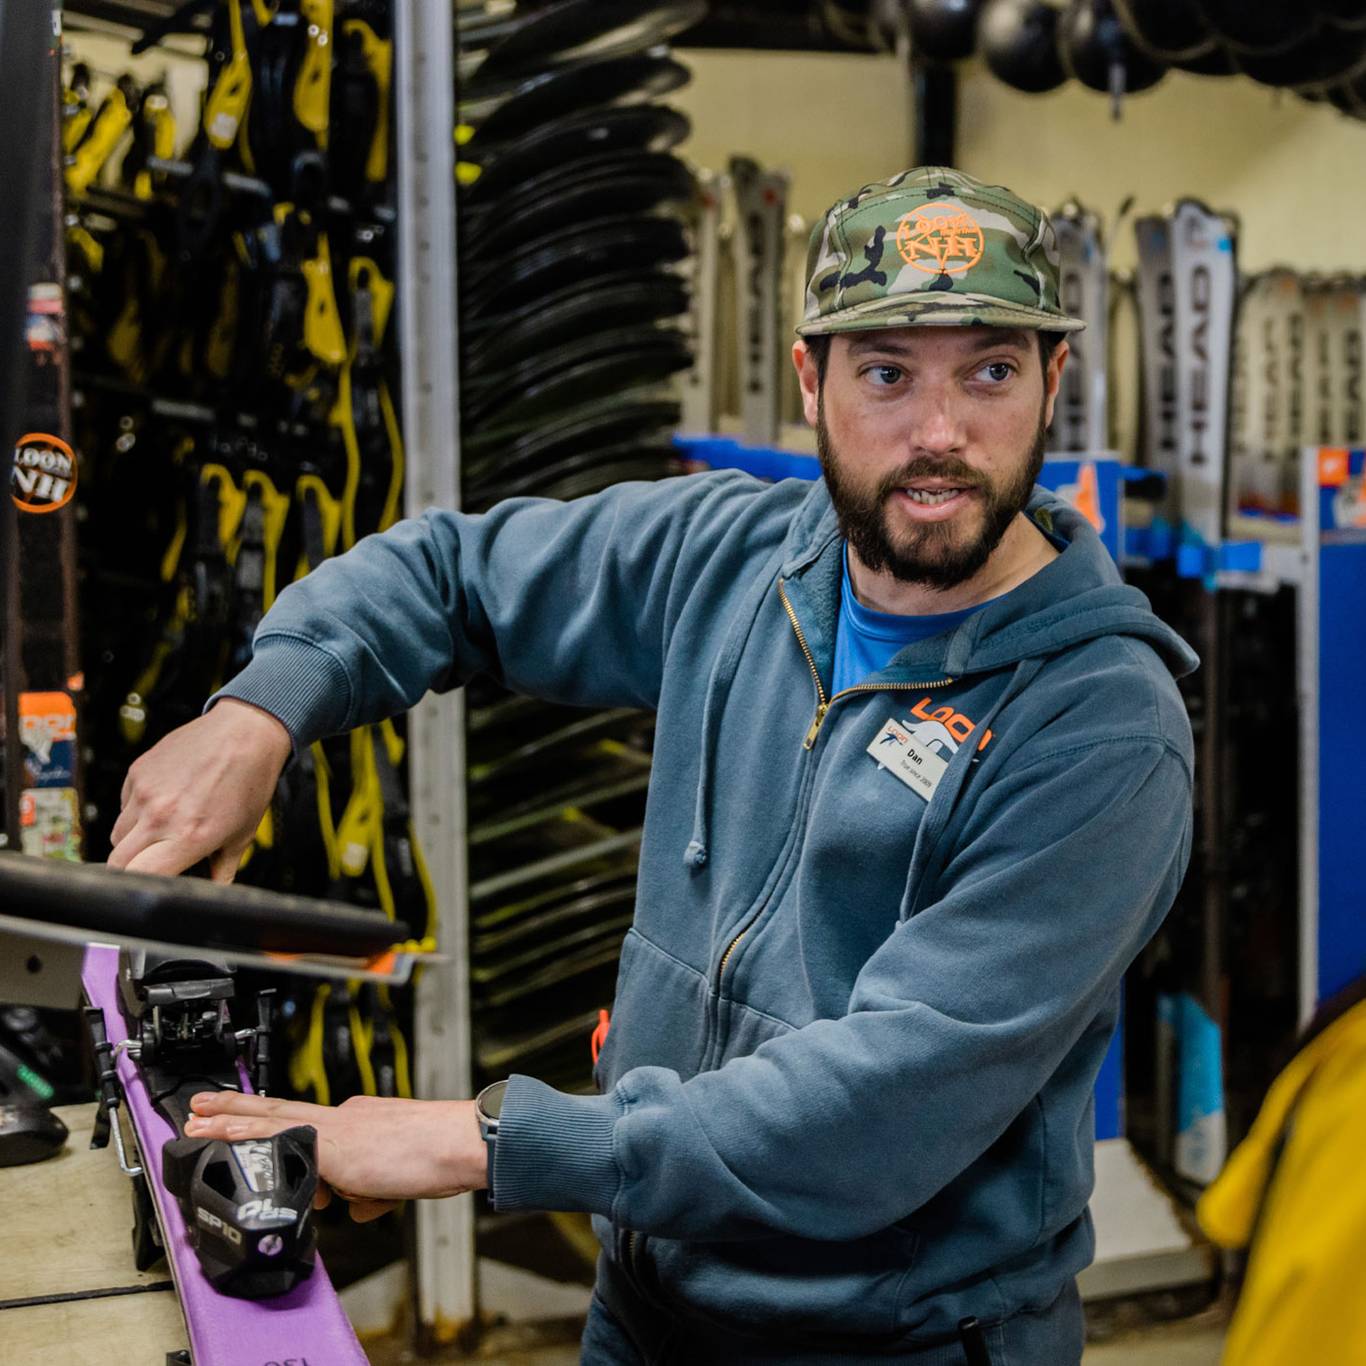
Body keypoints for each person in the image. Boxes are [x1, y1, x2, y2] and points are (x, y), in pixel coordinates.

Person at [108, 167, 1197, 1364]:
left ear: (1052, 382)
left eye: (988, 371)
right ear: (810, 382)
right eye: (886, 372)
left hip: (897, 1339)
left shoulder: (1099, 726)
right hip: (649, 1302)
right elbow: (451, 576)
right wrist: (261, 711)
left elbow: (877, 1107)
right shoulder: (734, 560)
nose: (939, 433)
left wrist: (479, 1141)